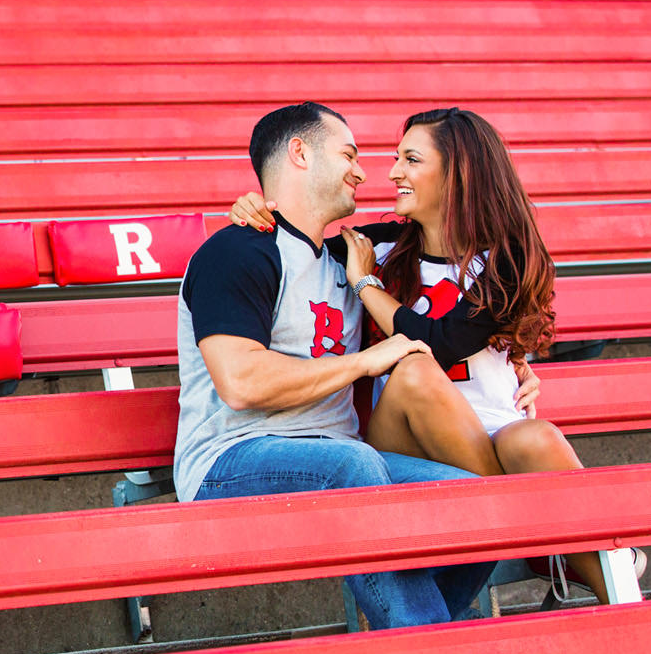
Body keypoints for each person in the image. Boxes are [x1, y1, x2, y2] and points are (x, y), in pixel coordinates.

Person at [174, 101, 495, 654]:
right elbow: (240, 381)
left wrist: (521, 364)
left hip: (339, 460)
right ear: (299, 154)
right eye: (349, 154)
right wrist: (367, 360)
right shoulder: (237, 250)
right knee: (354, 467)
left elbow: (467, 234)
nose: (363, 171)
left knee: (479, 501)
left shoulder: (358, 250)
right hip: (230, 461)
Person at [228, 107, 645, 604]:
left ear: (457, 174)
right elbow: (295, 233)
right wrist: (257, 208)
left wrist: (367, 287)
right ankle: (543, 540)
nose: (392, 172)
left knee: (536, 437)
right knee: (414, 373)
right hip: (405, 438)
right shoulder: (374, 248)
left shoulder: (506, 258)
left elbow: (445, 338)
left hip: (495, 435)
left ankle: (620, 614)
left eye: (411, 159)